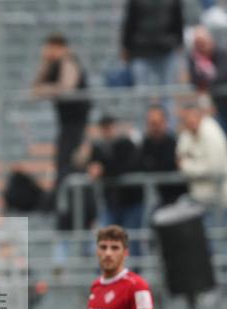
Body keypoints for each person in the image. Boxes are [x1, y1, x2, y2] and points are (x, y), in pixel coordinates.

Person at [31, 34, 91, 197]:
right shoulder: (53, 65)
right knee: (62, 164)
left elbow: (66, 89)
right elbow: (35, 89)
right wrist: (46, 63)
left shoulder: (69, 62)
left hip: (76, 125)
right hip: (66, 125)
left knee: (69, 166)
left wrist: (47, 90)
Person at [177, 101, 227, 246]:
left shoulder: (211, 133)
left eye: (191, 117)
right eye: (185, 119)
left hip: (221, 199)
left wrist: (187, 166)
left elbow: (213, 168)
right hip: (201, 200)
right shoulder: (187, 133)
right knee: (208, 246)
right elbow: (180, 153)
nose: (188, 122)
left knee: (222, 245)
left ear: (198, 116)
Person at [79, 115, 144, 253]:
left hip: (131, 201)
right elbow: (87, 165)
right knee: (108, 242)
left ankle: (132, 273)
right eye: (104, 127)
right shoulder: (98, 147)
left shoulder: (125, 143)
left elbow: (125, 167)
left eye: (109, 127)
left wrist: (103, 170)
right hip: (111, 202)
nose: (107, 131)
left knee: (131, 244)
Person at [187, 26, 227, 164]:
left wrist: (207, 83)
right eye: (198, 44)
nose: (201, 47)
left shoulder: (223, 53)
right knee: (222, 144)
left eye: (203, 43)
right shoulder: (195, 59)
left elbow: (223, 75)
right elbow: (194, 80)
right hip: (219, 107)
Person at [121, 0, 184, 119]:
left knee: (167, 94)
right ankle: (142, 132)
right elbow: (130, 20)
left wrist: (179, 42)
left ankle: (168, 132)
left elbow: (178, 19)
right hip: (141, 50)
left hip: (166, 49)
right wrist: (126, 46)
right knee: (142, 95)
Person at [139, 105, 187, 208]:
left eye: (157, 123)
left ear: (165, 122)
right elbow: (140, 165)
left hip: (178, 199)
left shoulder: (175, 143)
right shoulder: (145, 144)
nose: (154, 127)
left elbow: (169, 165)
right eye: (151, 123)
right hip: (158, 198)